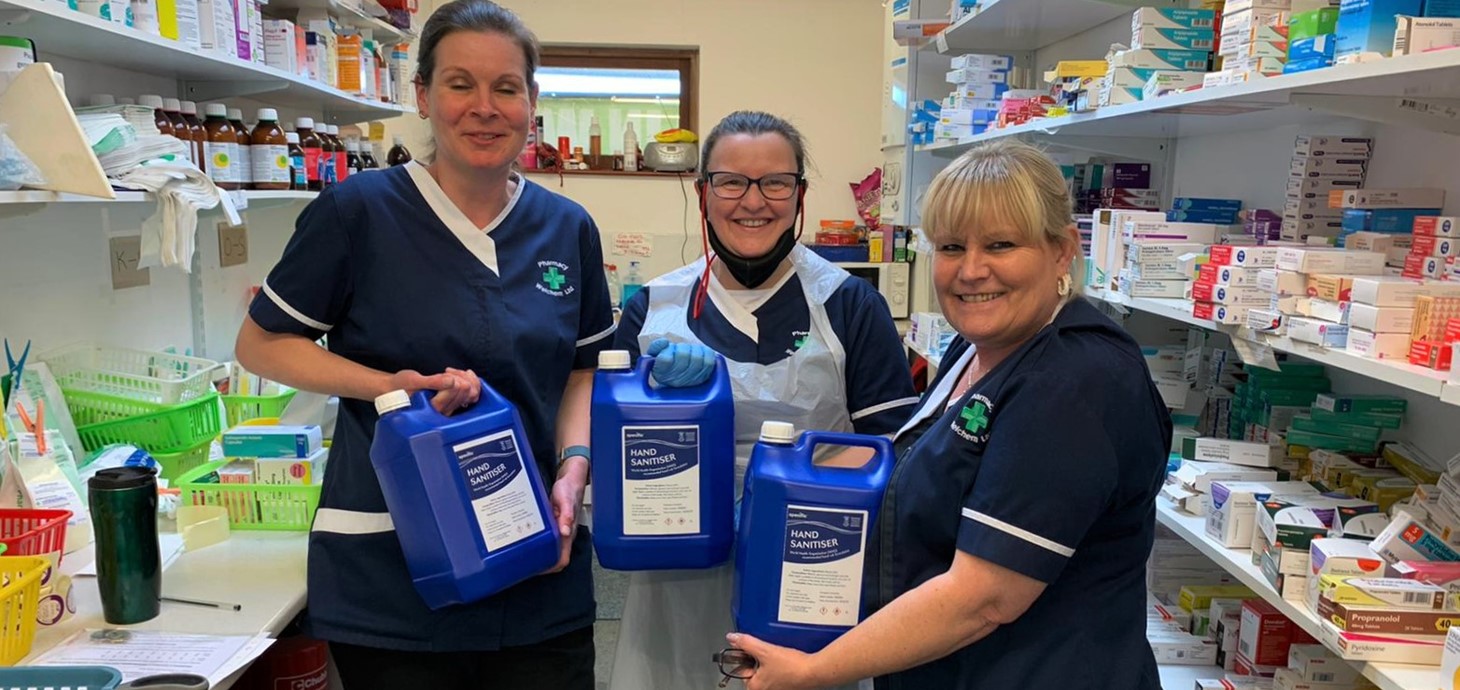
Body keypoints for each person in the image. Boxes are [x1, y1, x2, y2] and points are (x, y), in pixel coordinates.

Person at [233, 2, 611, 688]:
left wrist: (575, 467)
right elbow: (262, 344)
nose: (485, 107)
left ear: (532, 103)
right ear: (423, 97)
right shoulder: (358, 212)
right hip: (392, 573)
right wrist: (387, 386)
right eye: (460, 84)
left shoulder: (567, 228)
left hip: (536, 558)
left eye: (506, 87)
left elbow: (582, 372)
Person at [724, 140, 1171, 690]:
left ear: (1062, 251)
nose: (972, 271)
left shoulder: (1076, 380)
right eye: (953, 246)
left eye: (1001, 245)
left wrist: (816, 670)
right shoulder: (978, 348)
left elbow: (983, 600)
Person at [609, 110, 920, 690]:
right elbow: (613, 458)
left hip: (808, 566)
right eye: (730, 181)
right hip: (677, 573)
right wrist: (652, 401)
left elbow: (894, 460)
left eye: (776, 182)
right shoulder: (653, 308)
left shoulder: (850, 306)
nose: (753, 201)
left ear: (798, 193)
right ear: (703, 192)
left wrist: (787, 490)